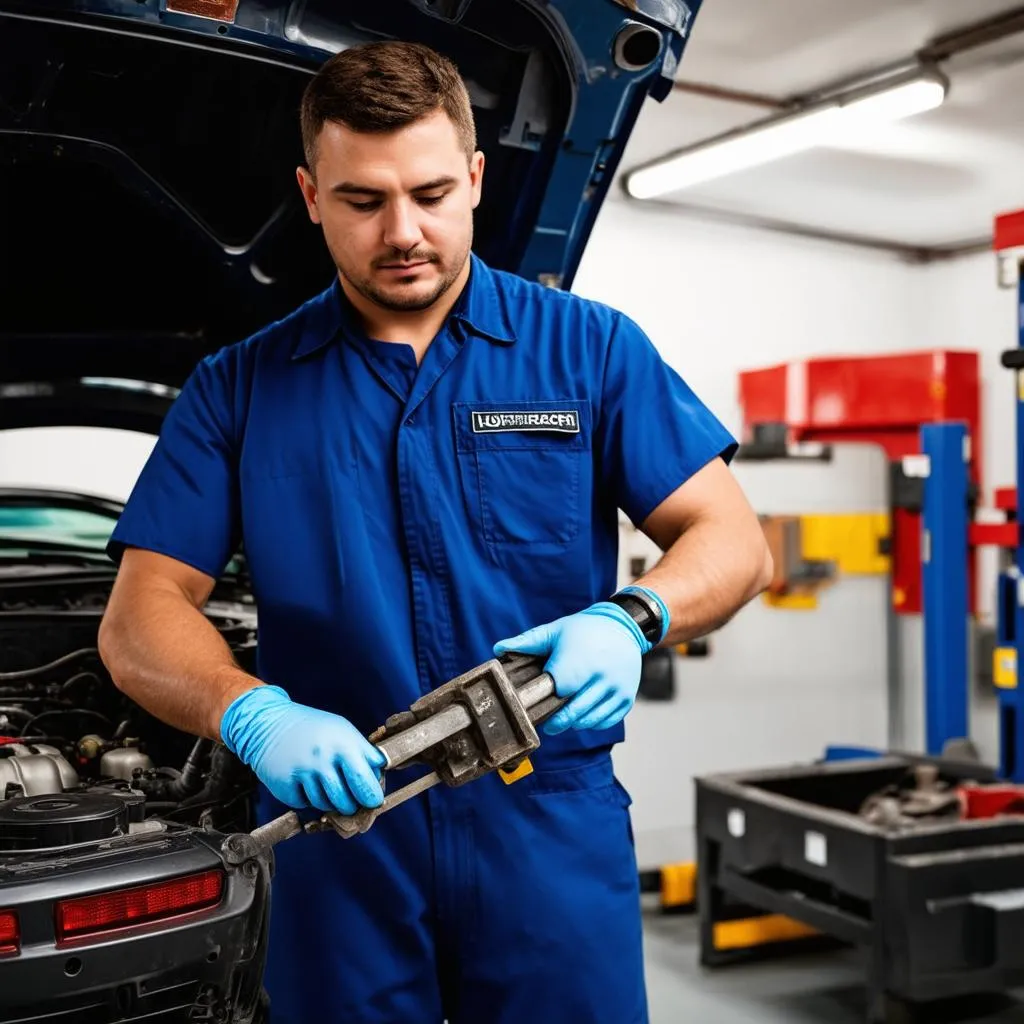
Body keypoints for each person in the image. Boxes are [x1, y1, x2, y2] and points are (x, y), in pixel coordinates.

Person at [98, 39, 772, 1024]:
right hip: (337, 832)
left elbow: (731, 536)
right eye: (364, 201)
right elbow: (139, 616)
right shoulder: (238, 390)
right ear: (312, 194)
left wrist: (633, 615)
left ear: (475, 178)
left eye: (429, 193)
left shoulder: (590, 351)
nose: (402, 230)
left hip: (546, 821)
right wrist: (251, 713)